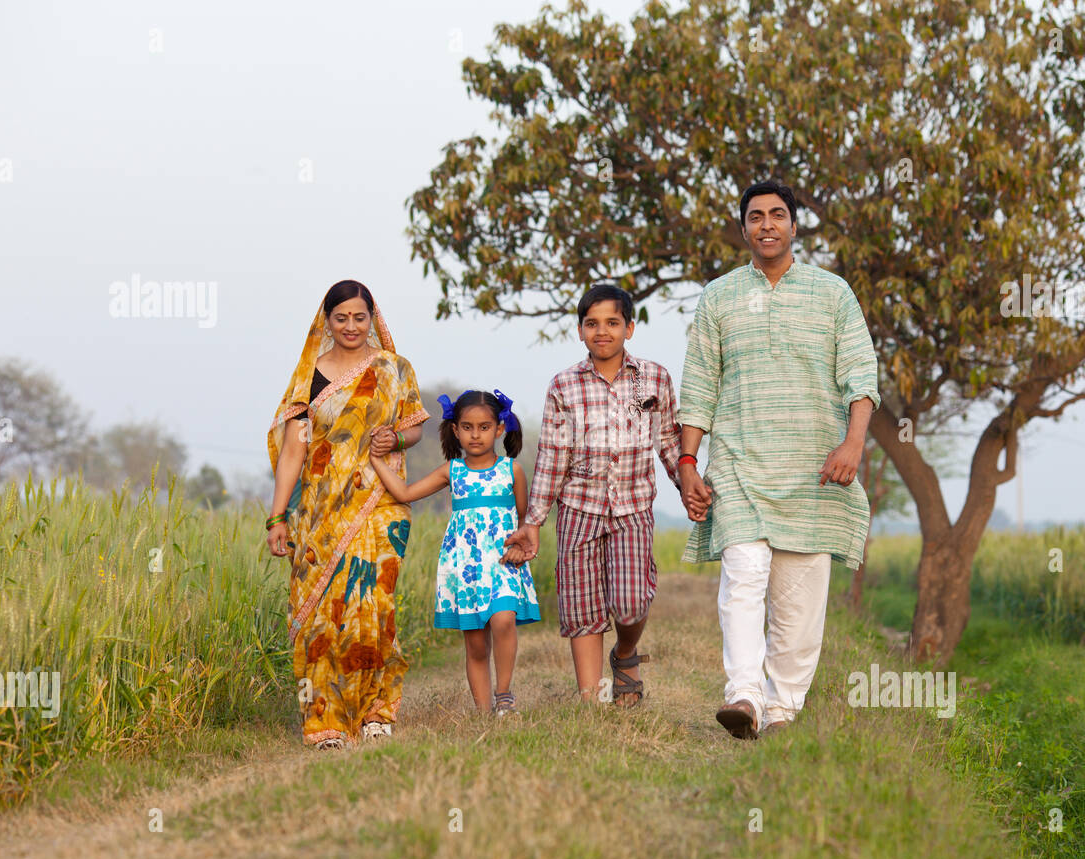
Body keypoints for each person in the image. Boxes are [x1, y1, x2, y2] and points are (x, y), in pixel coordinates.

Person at [678, 181, 881, 740]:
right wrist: (688, 463)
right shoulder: (718, 297)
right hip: (740, 464)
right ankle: (743, 695)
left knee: (799, 596)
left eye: (777, 215)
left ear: (794, 225)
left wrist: (853, 444)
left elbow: (862, 377)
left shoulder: (833, 293)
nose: (767, 224)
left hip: (814, 469)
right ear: (743, 229)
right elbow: (699, 386)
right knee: (743, 576)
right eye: (755, 216)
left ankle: (783, 707)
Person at [505, 284, 701, 706]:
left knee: (631, 603)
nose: (602, 332)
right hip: (579, 508)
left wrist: (686, 483)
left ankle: (626, 653)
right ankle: (591, 698)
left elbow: (668, 440)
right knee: (582, 607)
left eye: (612, 323)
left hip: (632, 506)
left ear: (629, 328)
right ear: (580, 331)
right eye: (592, 324)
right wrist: (533, 522)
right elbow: (553, 457)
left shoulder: (654, 377)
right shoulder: (564, 386)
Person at [266, 279, 429, 750]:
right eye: (341, 318)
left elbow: (414, 428)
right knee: (321, 618)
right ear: (327, 321)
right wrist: (277, 517)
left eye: (360, 317)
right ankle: (326, 722)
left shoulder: (394, 369)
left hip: (381, 507)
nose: (351, 326)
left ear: (372, 318)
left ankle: (377, 714)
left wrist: (394, 439)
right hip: (320, 511)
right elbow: (295, 451)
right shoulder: (311, 375)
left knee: (372, 610)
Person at [372, 389, 540, 716]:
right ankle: (483, 713)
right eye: (467, 427)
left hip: (503, 561)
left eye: (484, 427)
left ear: (499, 429)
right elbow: (405, 492)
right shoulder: (452, 471)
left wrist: (524, 548)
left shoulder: (512, 471)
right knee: (476, 644)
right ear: (455, 430)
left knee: (504, 619)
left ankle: (504, 694)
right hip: (465, 566)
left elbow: (526, 518)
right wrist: (376, 459)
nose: (475, 435)